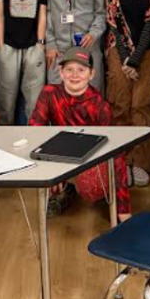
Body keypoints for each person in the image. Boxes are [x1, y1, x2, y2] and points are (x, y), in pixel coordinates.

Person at [30, 48, 131, 221]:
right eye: (69, 69)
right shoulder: (49, 94)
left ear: (91, 74)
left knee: (91, 188)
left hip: (89, 159)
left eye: (81, 70)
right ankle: (64, 190)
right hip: (59, 154)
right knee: (39, 167)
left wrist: (123, 209)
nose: (75, 75)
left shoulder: (99, 106)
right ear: (60, 72)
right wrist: (49, 165)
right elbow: (35, 130)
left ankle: (106, 191)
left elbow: (115, 153)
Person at [104, 0, 150, 188]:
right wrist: (125, 59)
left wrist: (136, 59)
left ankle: (140, 163)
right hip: (119, 51)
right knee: (120, 104)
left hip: (146, 52)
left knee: (142, 105)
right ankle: (120, 162)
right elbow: (113, 22)